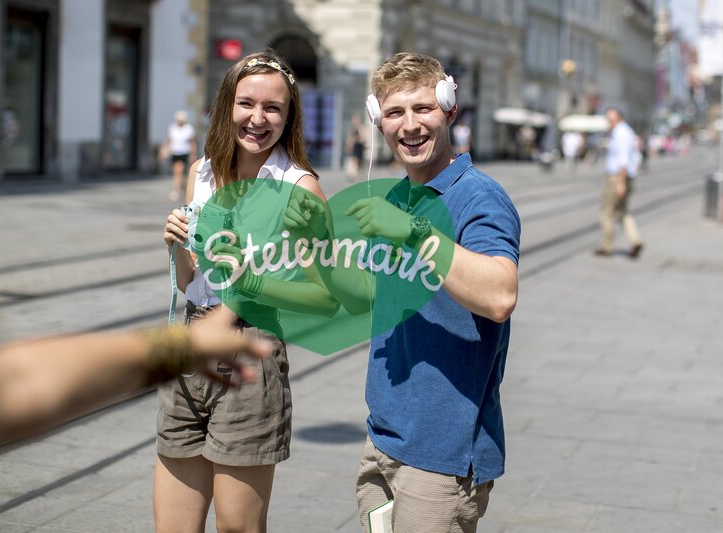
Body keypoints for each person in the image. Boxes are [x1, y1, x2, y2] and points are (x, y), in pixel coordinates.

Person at [0, 26, 271, 532]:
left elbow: (13, 383)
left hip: (236, 346)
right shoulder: (202, 172)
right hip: (199, 335)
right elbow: (14, 384)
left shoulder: (292, 184)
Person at [289, 52, 520, 533]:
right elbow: (365, 296)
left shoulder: (479, 196)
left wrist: (413, 233)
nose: (410, 125)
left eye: (423, 109)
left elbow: (499, 294)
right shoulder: (397, 197)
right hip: (385, 439)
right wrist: (316, 245)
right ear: (378, 121)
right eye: (395, 113)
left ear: (450, 110)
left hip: (442, 453)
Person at [157, 50, 338, 533]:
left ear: (288, 116)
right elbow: (187, 281)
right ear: (227, 105)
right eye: (246, 103)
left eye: (273, 108)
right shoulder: (202, 172)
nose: (258, 118)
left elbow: (326, 298)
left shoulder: (300, 188)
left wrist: (254, 281)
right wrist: (176, 244)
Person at [595, 107, 643, 258]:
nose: (608, 122)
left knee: (607, 211)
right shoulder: (626, 132)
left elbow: (623, 161)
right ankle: (635, 240)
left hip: (617, 177)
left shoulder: (621, 133)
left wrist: (621, 183)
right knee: (622, 211)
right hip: (625, 177)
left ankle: (606, 246)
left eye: (611, 119)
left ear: (619, 118)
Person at [159, 110, 197, 202]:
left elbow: (192, 142)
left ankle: (178, 189)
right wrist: (164, 150)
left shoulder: (188, 128)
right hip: (175, 152)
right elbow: (168, 140)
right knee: (177, 171)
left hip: (184, 152)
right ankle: (179, 189)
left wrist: (193, 154)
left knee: (181, 172)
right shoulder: (172, 127)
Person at [345, 113, 368, 181]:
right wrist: (348, 145)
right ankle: (351, 174)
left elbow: (363, 137)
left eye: (356, 120)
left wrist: (357, 139)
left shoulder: (361, 128)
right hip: (355, 147)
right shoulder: (352, 129)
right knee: (354, 160)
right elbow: (349, 138)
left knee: (360, 161)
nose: (355, 121)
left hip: (360, 146)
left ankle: (361, 174)